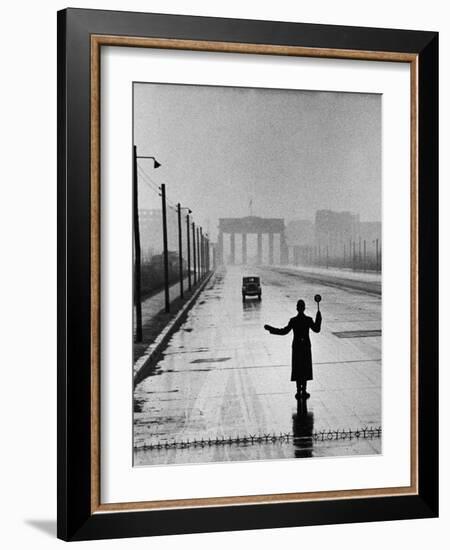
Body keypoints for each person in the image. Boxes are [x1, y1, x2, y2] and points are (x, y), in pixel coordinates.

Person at [264, 299, 322, 399]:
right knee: (305, 367)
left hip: (297, 346)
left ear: (297, 308)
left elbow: (283, 331)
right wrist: (319, 318)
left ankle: (298, 389)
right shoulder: (308, 320)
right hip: (305, 347)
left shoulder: (293, 321)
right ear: (304, 308)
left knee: (298, 367)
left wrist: (271, 329)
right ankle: (304, 389)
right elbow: (317, 329)